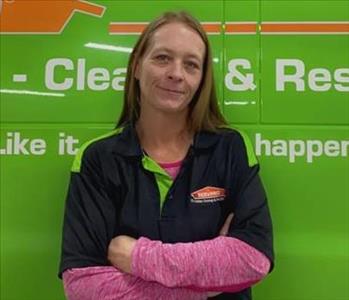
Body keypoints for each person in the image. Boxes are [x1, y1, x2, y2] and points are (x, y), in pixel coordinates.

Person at [59, 11, 274, 300]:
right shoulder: (98, 158)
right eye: (162, 58)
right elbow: (83, 286)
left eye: (191, 64)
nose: (176, 73)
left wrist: (138, 256)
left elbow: (253, 257)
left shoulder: (230, 147)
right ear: (136, 66)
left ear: (201, 79)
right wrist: (202, 286)